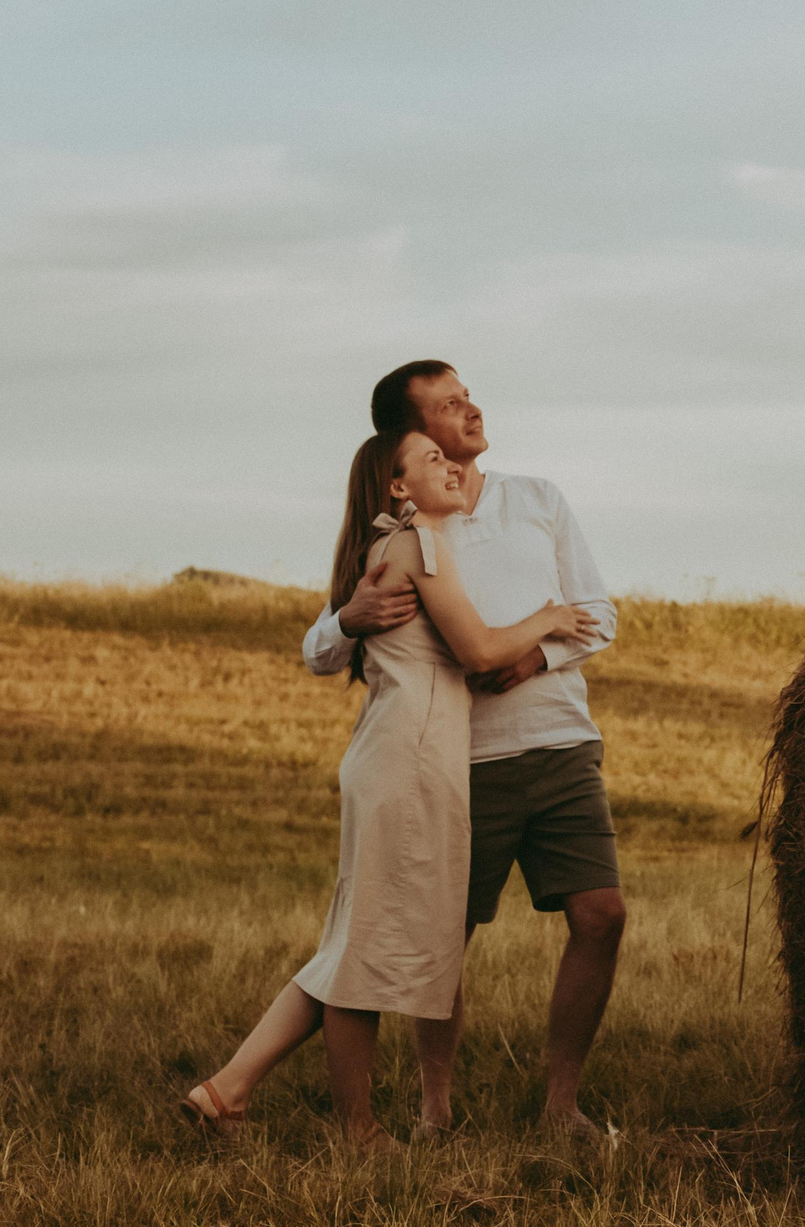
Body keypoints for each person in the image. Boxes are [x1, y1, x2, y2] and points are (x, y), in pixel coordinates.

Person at [181, 429, 596, 1146]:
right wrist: (552, 618)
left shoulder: (400, 547)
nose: (452, 463)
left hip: (398, 754)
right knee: (366, 952)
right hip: (409, 760)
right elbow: (481, 650)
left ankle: (227, 1089)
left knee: (353, 940)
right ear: (398, 487)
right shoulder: (419, 547)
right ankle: (358, 1131)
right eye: (432, 458)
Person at [301, 361, 626, 1145]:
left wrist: (538, 658)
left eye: (467, 394)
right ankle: (434, 1108)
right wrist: (349, 615)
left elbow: (598, 612)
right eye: (448, 405)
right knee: (442, 938)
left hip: (559, 742)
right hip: (460, 762)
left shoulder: (538, 500)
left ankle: (561, 1105)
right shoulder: (409, 530)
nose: (471, 409)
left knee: (603, 914)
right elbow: (317, 645)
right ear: (408, 441)